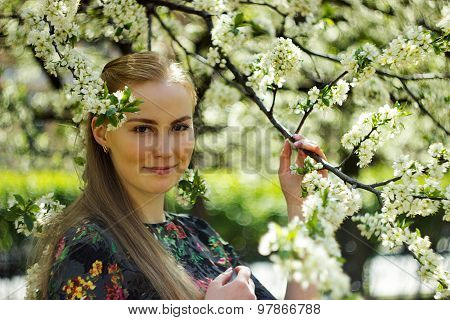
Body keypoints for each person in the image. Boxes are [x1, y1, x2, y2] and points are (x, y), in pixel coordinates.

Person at [28, 51, 327, 300]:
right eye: (143, 129)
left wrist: (300, 208)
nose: (165, 149)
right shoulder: (88, 247)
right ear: (103, 133)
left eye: (180, 127)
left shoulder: (201, 237)